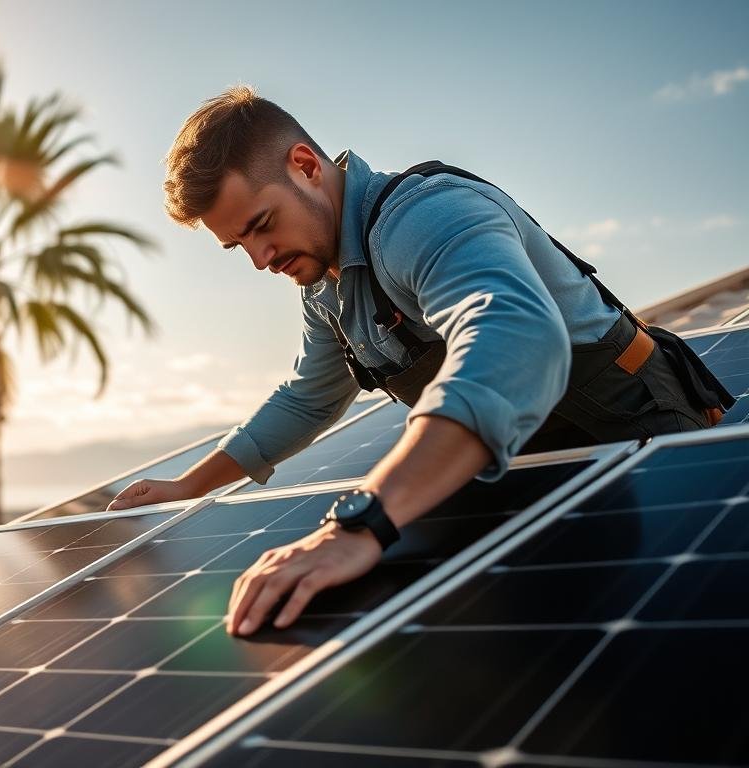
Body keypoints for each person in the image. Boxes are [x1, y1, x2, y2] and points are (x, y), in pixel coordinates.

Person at [106, 86, 733, 638]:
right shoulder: (325, 286)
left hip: (636, 437)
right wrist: (190, 484)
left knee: (676, 631)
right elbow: (308, 397)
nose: (261, 258)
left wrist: (361, 522)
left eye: (262, 225)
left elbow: (512, 334)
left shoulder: (423, 217)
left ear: (304, 166)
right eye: (238, 244)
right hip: (529, 460)